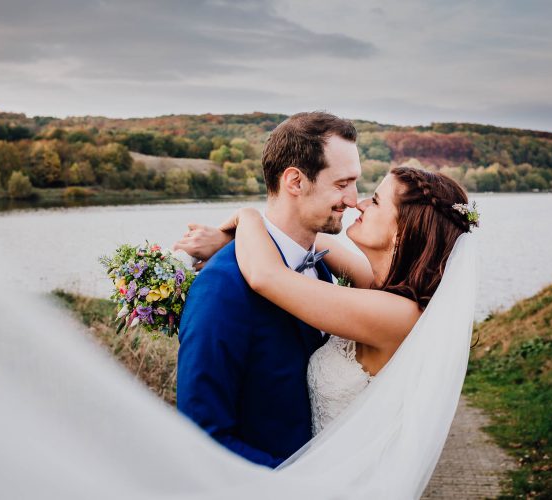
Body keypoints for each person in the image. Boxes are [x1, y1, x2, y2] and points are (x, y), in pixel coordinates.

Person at [177, 165, 478, 442]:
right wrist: (233, 239)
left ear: (404, 231)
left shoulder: (399, 314)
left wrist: (247, 217)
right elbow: (304, 241)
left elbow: (266, 275)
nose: (358, 203)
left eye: (374, 201)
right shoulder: (384, 288)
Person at [174, 111, 362, 468]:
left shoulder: (322, 265)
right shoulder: (222, 287)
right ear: (295, 181)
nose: (353, 199)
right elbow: (200, 438)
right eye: (341, 184)